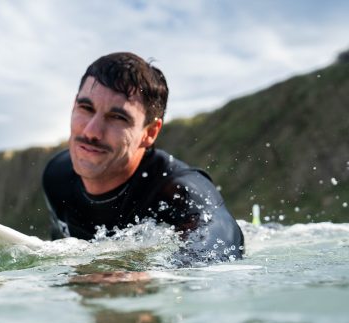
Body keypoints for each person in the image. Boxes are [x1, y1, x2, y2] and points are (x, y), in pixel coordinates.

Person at [42, 52, 244, 261]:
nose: (91, 132)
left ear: (150, 132)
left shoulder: (177, 189)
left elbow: (223, 242)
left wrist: (152, 273)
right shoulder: (58, 175)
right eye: (86, 108)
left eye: (118, 117)